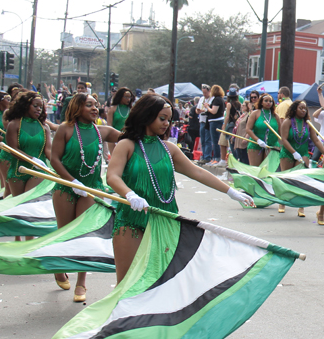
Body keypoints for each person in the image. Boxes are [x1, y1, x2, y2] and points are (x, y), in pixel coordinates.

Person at [107, 94, 254, 283]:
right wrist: (130, 194)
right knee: (127, 284)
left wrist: (231, 191)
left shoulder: (169, 148)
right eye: (162, 118)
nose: (166, 124)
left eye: (169, 120)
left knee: (159, 283)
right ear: (146, 115)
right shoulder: (127, 145)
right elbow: (112, 176)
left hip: (164, 220)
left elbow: (197, 172)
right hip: (131, 221)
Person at [50, 93, 122, 300]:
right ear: (77, 107)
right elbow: (55, 159)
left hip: (91, 189)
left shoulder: (103, 131)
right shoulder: (65, 129)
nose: (94, 108)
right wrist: (72, 181)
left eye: (96, 105)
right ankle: (59, 267)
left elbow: (130, 137)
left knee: (86, 234)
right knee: (65, 233)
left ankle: (81, 283)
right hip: (66, 188)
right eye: (89, 105)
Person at [278, 99, 324, 217]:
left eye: (305, 109)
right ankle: (282, 203)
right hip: (288, 152)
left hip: (303, 153)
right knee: (286, 178)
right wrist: (294, 152)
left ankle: (301, 207)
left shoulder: (308, 124)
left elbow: (316, 140)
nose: (303, 110)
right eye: (301, 108)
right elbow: (284, 139)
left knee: (301, 180)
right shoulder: (287, 122)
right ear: (294, 109)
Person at [5, 90, 52, 197]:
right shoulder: (14, 124)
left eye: (41, 107)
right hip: (17, 171)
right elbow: (13, 149)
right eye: (35, 106)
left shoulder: (44, 127)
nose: (39, 109)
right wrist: (32, 160)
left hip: (38, 171)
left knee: (28, 199)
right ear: (25, 105)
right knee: (19, 203)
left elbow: (48, 151)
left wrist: (60, 165)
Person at [246, 94, 279, 168]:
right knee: (255, 169)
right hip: (256, 144)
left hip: (271, 145)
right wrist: (258, 140)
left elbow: (280, 132)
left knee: (268, 170)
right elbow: (248, 129)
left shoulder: (276, 116)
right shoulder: (255, 113)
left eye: (270, 101)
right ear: (261, 102)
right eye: (266, 101)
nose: (268, 103)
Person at [216, 88, 241, 166]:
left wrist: (224, 126)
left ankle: (233, 161)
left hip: (230, 125)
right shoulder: (239, 104)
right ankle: (236, 160)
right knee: (234, 142)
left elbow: (227, 117)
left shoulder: (229, 104)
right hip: (236, 125)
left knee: (231, 143)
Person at [107, 87, 134, 154]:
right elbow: (109, 125)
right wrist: (111, 143)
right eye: (126, 97)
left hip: (128, 139)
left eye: (130, 97)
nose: (128, 99)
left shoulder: (132, 110)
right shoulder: (112, 109)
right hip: (114, 139)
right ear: (120, 97)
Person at [205, 85, 226, 165]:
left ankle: (216, 158)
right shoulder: (220, 99)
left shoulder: (217, 99)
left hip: (215, 121)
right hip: (217, 121)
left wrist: (207, 107)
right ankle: (215, 158)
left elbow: (214, 111)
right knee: (216, 140)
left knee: (215, 140)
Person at [196, 85, 212, 164]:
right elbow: (197, 110)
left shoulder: (212, 99)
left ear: (209, 91)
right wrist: (198, 111)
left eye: (205, 93)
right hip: (201, 120)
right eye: (203, 93)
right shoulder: (201, 99)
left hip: (208, 121)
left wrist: (205, 109)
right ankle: (203, 155)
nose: (204, 94)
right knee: (202, 139)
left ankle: (207, 157)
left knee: (207, 139)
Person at [233, 101, 251, 165]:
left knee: (244, 158)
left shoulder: (249, 115)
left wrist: (246, 138)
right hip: (239, 138)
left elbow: (250, 127)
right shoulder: (243, 115)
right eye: (242, 105)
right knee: (240, 157)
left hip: (244, 137)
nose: (242, 106)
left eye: (244, 105)